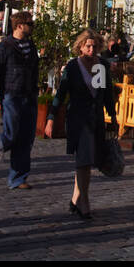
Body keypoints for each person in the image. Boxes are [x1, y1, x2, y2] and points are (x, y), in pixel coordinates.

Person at [46, 30, 119, 219]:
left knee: (87, 160)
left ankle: (75, 198)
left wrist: (112, 116)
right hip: (78, 119)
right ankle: (84, 202)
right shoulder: (73, 67)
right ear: (80, 47)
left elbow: (105, 94)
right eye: (88, 46)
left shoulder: (101, 66)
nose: (92, 49)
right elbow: (61, 94)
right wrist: (51, 118)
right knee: (84, 159)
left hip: (95, 118)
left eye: (95, 46)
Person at [0, 10, 39, 189]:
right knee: (10, 134)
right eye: (30, 24)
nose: (32, 27)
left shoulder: (31, 46)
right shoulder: (4, 47)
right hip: (12, 95)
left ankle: (18, 178)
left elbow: (35, 70)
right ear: (19, 26)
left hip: (30, 96)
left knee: (26, 138)